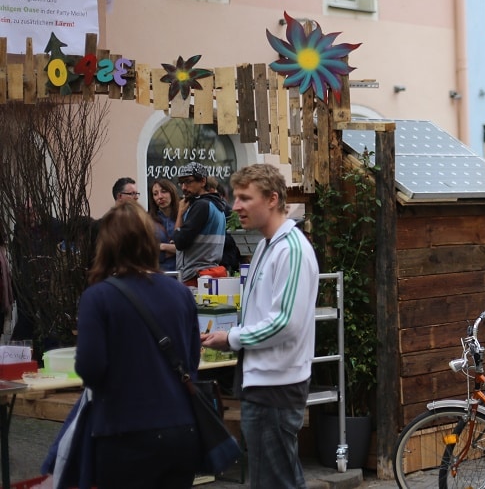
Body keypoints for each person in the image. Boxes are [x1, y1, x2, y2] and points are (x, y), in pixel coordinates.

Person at [202, 164, 319, 489]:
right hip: (266, 382)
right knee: (275, 480)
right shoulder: (268, 245)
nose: (235, 205)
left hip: (276, 386)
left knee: (276, 481)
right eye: (236, 197)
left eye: (244, 198)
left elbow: (285, 324)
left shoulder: (291, 249)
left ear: (272, 199)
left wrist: (232, 338)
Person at [74, 201, 201, 487]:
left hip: (124, 431)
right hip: (180, 429)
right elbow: (192, 361)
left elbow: (90, 368)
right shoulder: (181, 293)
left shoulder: (98, 297)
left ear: (105, 244)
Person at [173, 162, 226, 284]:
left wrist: (180, 213)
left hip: (194, 275)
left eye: (188, 182)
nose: (184, 187)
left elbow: (180, 242)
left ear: (202, 181)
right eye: (181, 183)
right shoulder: (216, 205)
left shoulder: (201, 206)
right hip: (208, 273)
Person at [149, 178, 180, 272]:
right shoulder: (148, 220)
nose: (160, 197)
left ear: (172, 192)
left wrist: (162, 247)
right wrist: (174, 250)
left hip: (182, 274)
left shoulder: (184, 216)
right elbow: (148, 251)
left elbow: (188, 250)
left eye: (164, 191)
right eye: (155, 194)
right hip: (158, 274)